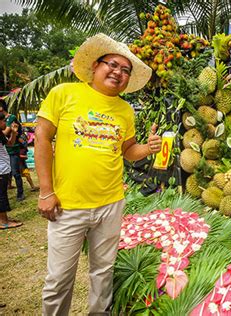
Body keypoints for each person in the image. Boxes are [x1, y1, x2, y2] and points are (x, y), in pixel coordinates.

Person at [36, 33, 161, 315]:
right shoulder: (64, 93)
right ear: (95, 66)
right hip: (68, 205)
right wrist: (46, 191)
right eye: (112, 65)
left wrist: (148, 148)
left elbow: (127, 150)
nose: (118, 72)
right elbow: (42, 138)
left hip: (110, 204)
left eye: (125, 70)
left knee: (103, 273)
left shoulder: (126, 110)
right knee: (58, 280)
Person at [0, 112, 22, 229]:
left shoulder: (0, 133)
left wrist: (13, 132)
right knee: (1, 195)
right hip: (1, 169)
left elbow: (10, 143)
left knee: (2, 194)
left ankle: (4, 219)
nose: (5, 123)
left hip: (3, 168)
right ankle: (3, 221)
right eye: (3, 121)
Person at [0, 100, 24, 201]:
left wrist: (13, 132)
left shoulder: (11, 117)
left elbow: (5, 133)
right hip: (5, 150)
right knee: (6, 174)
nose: (4, 123)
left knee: (15, 172)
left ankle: (20, 193)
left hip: (13, 150)